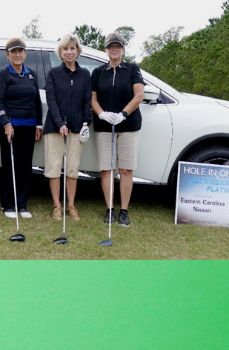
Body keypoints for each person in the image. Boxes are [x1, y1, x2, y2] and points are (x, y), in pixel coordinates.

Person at [91, 31, 144, 227]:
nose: (114, 49)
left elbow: (138, 96)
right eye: (111, 46)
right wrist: (101, 113)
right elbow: (93, 99)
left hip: (128, 125)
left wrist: (123, 114)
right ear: (106, 49)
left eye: (118, 46)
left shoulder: (132, 69)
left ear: (123, 49)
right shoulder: (98, 72)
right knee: (106, 169)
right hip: (104, 126)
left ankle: (124, 211)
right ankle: (110, 210)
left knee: (126, 169)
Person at [43, 34, 92, 221]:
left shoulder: (85, 74)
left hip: (77, 128)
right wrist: (60, 123)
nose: (69, 52)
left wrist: (86, 123)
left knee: (73, 168)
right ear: (60, 53)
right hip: (55, 128)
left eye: (72, 48)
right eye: (65, 49)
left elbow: (87, 100)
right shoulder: (53, 73)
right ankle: (57, 206)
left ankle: (71, 205)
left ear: (78, 51)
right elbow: (51, 100)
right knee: (54, 167)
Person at [0, 37, 43, 219]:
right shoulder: (3, 75)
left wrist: (39, 123)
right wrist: (6, 123)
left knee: (24, 165)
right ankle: (8, 204)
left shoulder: (31, 75)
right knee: (9, 165)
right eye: (13, 51)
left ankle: (22, 204)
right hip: (8, 127)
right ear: (8, 55)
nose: (17, 54)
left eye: (20, 51)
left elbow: (37, 101)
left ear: (25, 53)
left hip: (29, 126)